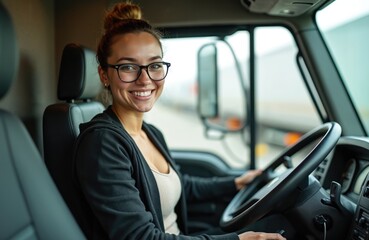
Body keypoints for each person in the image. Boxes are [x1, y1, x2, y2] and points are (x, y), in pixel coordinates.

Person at [73, 2, 286, 240]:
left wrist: (235, 183)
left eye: (154, 65)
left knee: (277, 223)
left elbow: (180, 185)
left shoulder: (150, 132)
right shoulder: (102, 143)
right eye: (129, 67)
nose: (145, 80)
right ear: (104, 75)